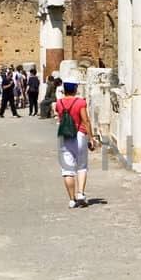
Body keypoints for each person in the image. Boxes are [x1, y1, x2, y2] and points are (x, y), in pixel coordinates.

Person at [56, 78, 95, 206]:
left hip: (65, 136)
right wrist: (91, 138)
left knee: (67, 169)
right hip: (79, 135)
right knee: (82, 166)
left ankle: (72, 200)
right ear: (75, 89)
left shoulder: (59, 103)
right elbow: (86, 120)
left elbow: (61, 117)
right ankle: (80, 193)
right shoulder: (80, 102)